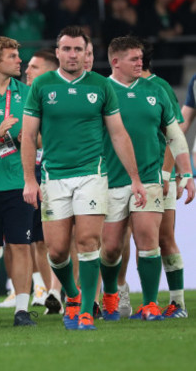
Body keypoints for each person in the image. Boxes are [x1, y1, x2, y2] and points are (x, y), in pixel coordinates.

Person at [21, 26, 146, 331]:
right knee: (57, 251)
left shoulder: (102, 86)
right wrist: (29, 180)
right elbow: (28, 135)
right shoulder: (42, 86)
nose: (72, 55)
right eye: (66, 49)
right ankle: (73, 294)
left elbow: (118, 134)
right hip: (54, 177)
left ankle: (86, 308)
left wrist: (135, 179)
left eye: (78, 49)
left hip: (92, 174)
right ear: (58, 51)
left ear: (86, 53)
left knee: (89, 242)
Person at [99, 36, 194, 323]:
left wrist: (185, 173)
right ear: (115, 61)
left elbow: (175, 134)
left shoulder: (156, 89)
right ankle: (112, 295)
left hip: (151, 177)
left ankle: (151, 304)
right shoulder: (101, 90)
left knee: (149, 242)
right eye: (133, 58)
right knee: (112, 247)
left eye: (141, 57)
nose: (141, 62)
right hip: (110, 179)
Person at [0, 36, 35, 327]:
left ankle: (22, 309)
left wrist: (33, 139)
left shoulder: (27, 92)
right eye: (12, 56)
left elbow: (40, 135)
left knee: (20, 245)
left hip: (18, 181)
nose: (19, 60)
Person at [24, 50, 63, 314]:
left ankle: (60, 291)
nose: (27, 71)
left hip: (56, 173)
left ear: (48, 72)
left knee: (61, 240)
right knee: (37, 239)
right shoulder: (22, 96)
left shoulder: (55, 98)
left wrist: (25, 136)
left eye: (34, 67)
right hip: (30, 174)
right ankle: (50, 293)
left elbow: (51, 138)